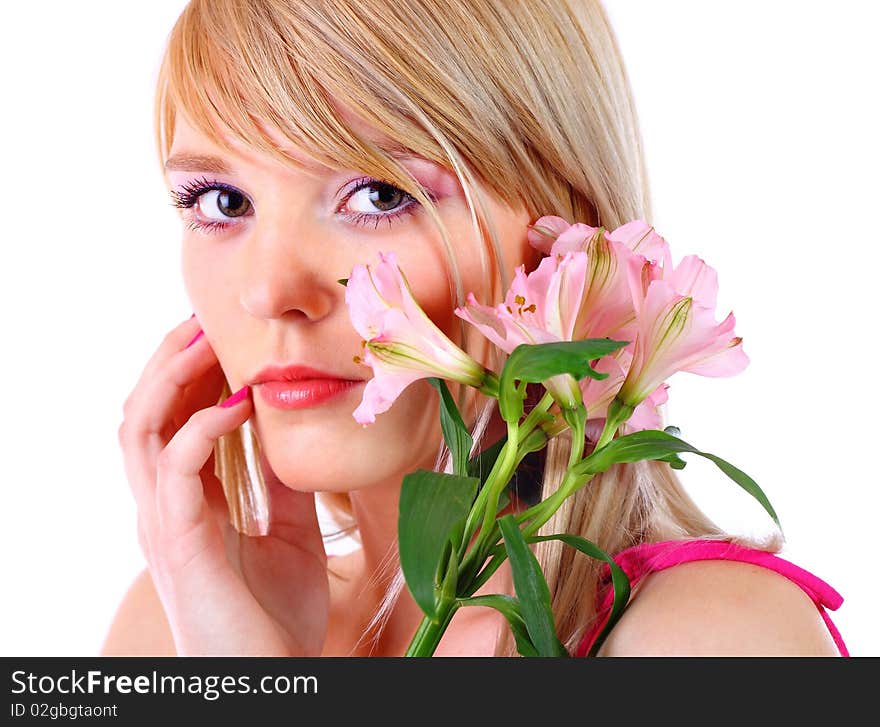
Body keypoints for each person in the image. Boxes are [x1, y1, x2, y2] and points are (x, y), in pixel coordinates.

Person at [102, 0, 846, 657]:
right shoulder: (175, 621)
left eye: (379, 193)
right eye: (222, 202)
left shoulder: (712, 639)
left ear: (570, 238)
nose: (268, 292)